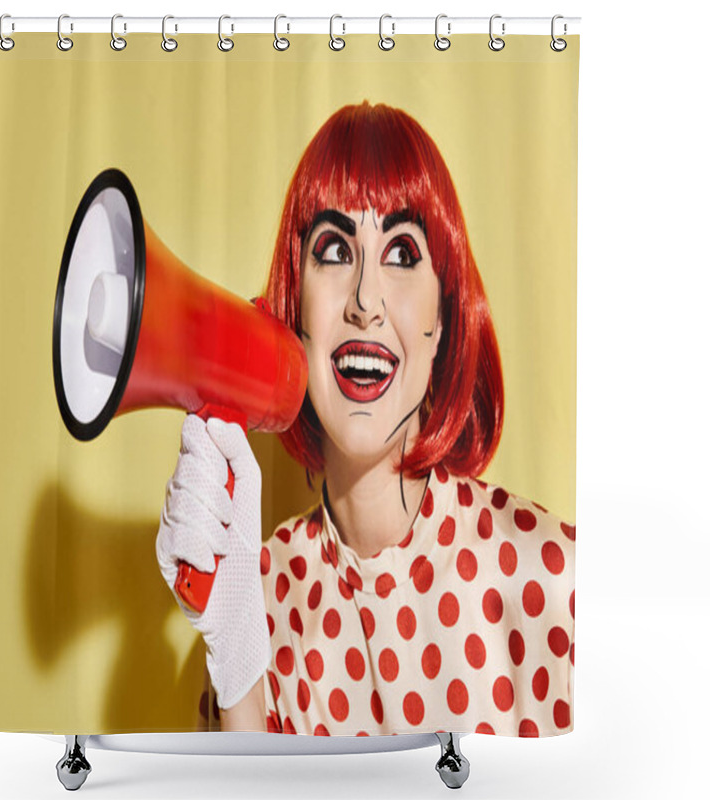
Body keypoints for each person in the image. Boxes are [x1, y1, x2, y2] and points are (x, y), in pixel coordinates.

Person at [156, 102, 575, 738]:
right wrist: (240, 670)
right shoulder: (252, 601)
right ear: (294, 307)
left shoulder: (555, 576)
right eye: (333, 249)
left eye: (403, 252)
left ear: (443, 324)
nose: (364, 301)